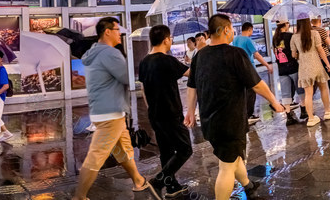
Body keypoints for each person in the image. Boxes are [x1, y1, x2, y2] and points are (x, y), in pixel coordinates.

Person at [185, 15, 285, 200]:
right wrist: (274, 101)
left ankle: (248, 186)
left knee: (232, 156)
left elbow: (192, 86)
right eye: (231, 28)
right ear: (224, 30)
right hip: (231, 120)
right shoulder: (235, 54)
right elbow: (256, 84)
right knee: (227, 166)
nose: (233, 32)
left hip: (209, 121)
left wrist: (190, 111)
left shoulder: (200, 55)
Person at [74, 17, 153, 200]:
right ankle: (79, 196)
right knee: (96, 156)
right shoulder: (110, 53)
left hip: (103, 109)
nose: (120, 33)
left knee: (123, 149)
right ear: (107, 31)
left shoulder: (93, 52)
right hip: (111, 112)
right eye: (117, 29)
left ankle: (138, 180)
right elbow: (127, 77)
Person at [138, 25, 191, 197]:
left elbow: (143, 89)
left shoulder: (144, 61)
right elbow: (191, 73)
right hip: (170, 113)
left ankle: (172, 186)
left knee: (166, 151)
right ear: (166, 39)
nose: (172, 40)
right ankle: (158, 181)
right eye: (171, 38)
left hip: (154, 114)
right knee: (185, 149)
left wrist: (150, 108)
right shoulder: (167, 60)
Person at [291, 18, 330, 127]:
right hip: (316, 64)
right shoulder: (315, 33)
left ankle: (311, 118)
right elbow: (320, 50)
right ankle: (327, 111)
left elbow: (293, 55)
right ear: (308, 22)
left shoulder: (294, 37)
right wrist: (328, 65)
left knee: (308, 94)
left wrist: (300, 55)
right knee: (323, 88)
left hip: (304, 67)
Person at [229, 22, 273, 125]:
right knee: (252, 90)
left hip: (238, 69)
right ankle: (249, 115)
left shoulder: (236, 39)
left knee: (244, 92)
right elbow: (256, 55)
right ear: (250, 29)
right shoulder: (248, 40)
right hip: (249, 67)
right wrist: (267, 65)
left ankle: (244, 114)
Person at [272, 22, 302, 125]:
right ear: (285, 25)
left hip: (281, 69)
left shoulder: (275, 37)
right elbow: (296, 51)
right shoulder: (290, 36)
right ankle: (304, 110)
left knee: (285, 94)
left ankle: (288, 116)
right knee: (300, 90)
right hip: (293, 67)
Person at [310, 17, 330, 103]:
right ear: (319, 21)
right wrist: (327, 34)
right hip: (324, 55)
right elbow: (328, 43)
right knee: (329, 75)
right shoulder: (321, 30)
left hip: (314, 56)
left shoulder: (309, 31)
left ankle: (310, 96)